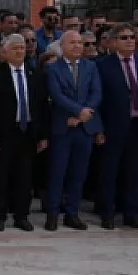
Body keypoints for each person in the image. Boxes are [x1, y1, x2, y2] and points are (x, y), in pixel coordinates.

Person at [96, 23, 138, 230]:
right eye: (123, 38)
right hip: (112, 126)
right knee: (109, 172)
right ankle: (107, 213)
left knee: (136, 172)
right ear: (113, 42)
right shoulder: (103, 65)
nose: (129, 41)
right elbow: (97, 100)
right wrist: (99, 128)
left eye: (132, 37)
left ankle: (132, 213)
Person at [0, 34, 45, 232]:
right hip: (4, 134)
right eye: (16, 48)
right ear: (5, 52)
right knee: (0, 177)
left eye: (22, 47)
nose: (20, 51)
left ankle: (21, 216)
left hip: (27, 133)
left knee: (24, 178)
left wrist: (43, 135)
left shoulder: (35, 74)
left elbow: (41, 107)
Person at [44, 30, 101, 231]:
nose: (77, 46)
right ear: (62, 46)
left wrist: (84, 113)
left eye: (80, 43)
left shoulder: (91, 67)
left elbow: (96, 93)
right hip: (63, 127)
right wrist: (78, 111)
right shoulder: (52, 69)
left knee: (78, 174)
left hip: (84, 128)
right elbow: (56, 95)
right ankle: (52, 214)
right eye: (73, 43)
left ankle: (72, 213)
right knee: (57, 172)